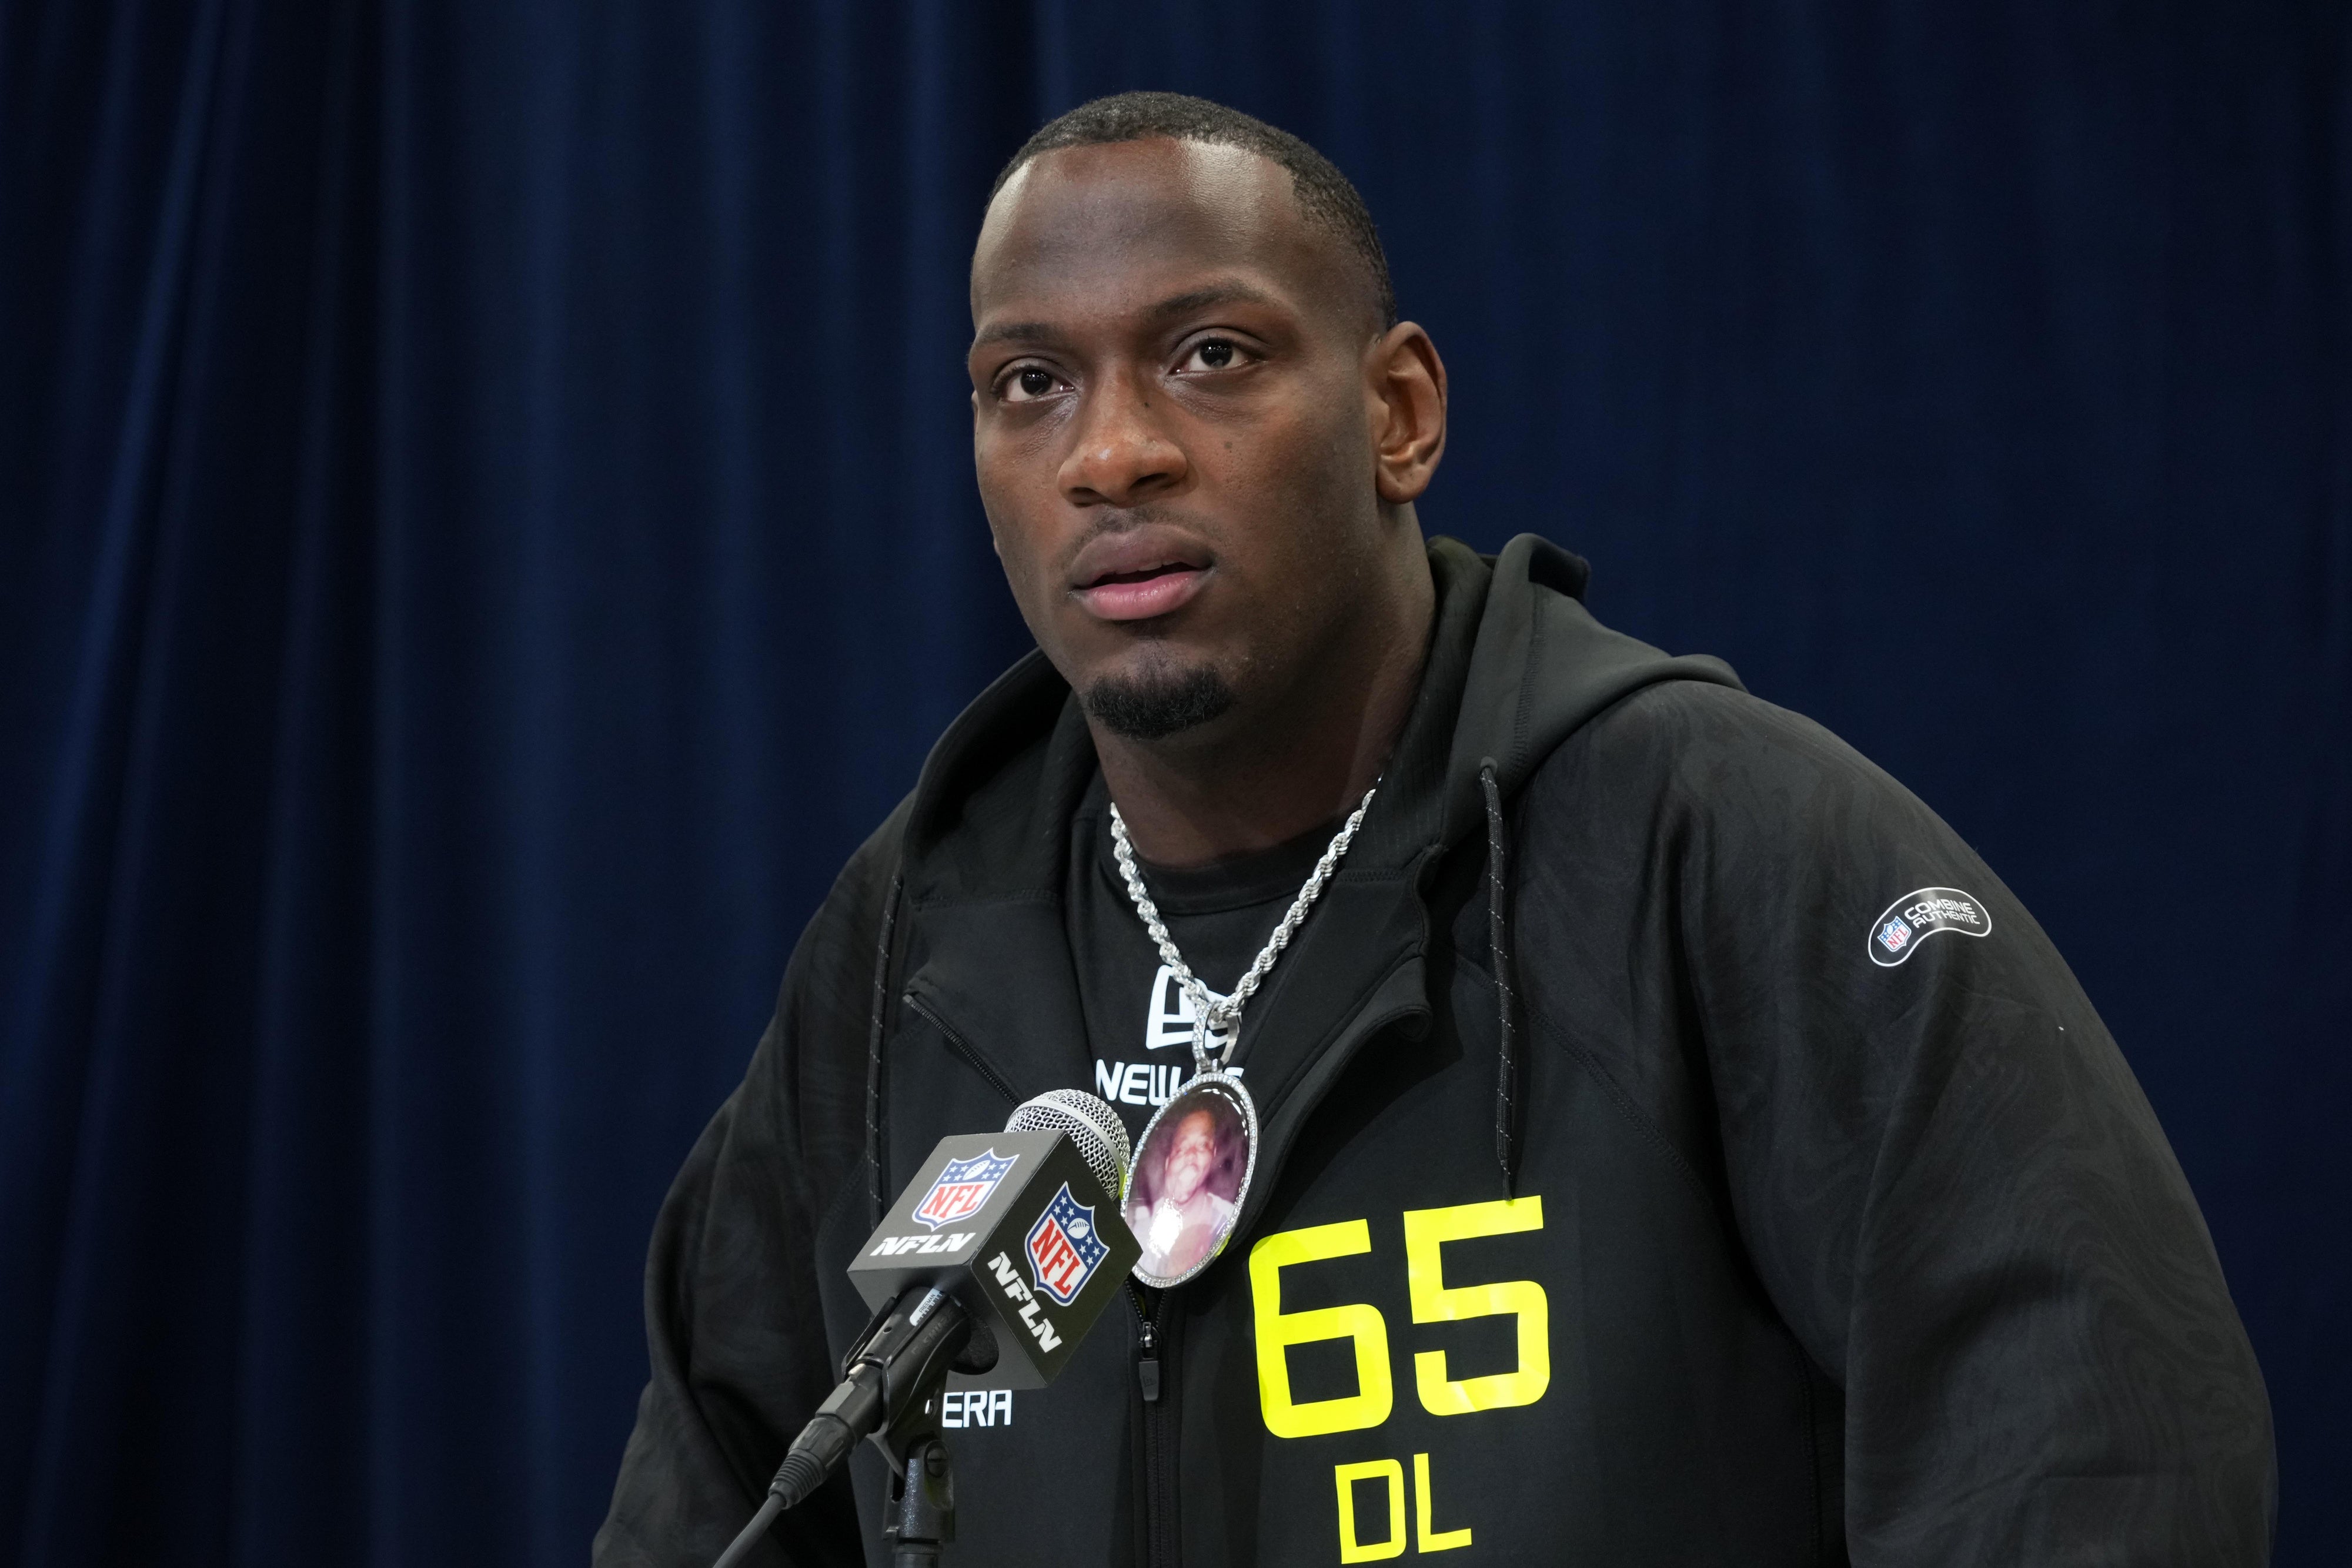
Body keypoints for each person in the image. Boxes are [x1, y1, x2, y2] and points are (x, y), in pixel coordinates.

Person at [596, 92, 2273, 1566]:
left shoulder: (1712, 840)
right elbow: (719, 1499)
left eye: (1212, 356)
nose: (1111, 453)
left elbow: (2097, 1440)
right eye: (1027, 382)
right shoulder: (914, 941)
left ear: (1399, 413)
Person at [1127, 1104, 1240, 1281]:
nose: (1191, 1155)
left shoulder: (1231, 1220)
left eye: (1203, 1146)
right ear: (1167, 1164)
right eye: (1181, 1149)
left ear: (1213, 1157)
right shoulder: (1136, 1229)